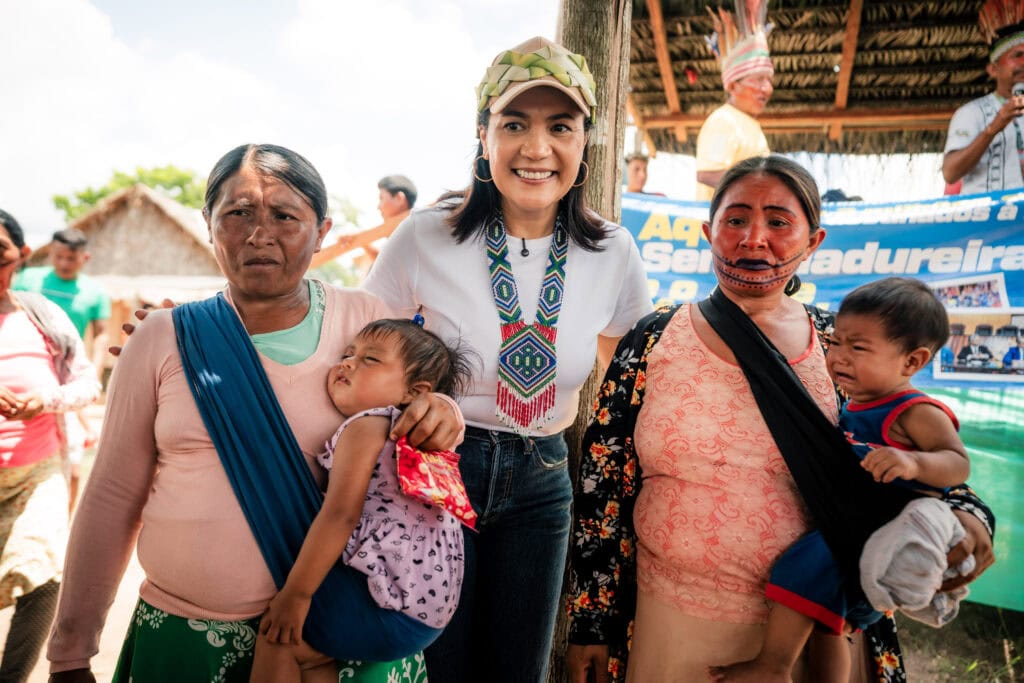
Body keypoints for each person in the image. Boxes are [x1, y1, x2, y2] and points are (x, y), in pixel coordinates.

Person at [565, 156, 996, 683]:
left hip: (817, 633)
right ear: (709, 232)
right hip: (669, 620)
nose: (754, 239)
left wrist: (970, 514)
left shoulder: (845, 347)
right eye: (736, 219)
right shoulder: (653, 339)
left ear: (813, 241)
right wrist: (590, 622)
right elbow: (602, 483)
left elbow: (917, 442)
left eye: (778, 221)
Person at [46, 144, 465, 683]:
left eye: (285, 216)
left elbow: (421, 396)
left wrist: (443, 409)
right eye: (238, 213)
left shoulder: (366, 322)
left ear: (321, 231)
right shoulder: (163, 337)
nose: (259, 234)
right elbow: (110, 495)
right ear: (208, 225)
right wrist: (71, 650)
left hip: (342, 645)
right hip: (184, 640)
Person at [362, 36, 653, 682]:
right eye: (514, 124)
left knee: (517, 673)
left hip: (544, 477)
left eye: (560, 126)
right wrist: (415, 399)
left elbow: (629, 396)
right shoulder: (424, 236)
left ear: (586, 141)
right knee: (435, 665)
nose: (536, 147)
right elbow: (355, 350)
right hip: (433, 470)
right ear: (482, 134)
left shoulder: (613, 252)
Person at [710, 277, 972, 683]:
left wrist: (914, 463)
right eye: (836, 342)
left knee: (800, 573)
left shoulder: (914, 412)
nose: (839, 357)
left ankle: (772, 665)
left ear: (912, 361)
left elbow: (957, 464)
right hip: (855, 529)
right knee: (828, 624)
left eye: (859, 347)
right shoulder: (859, 399)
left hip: (876, 533)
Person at [253, 318, 475, 682]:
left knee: (278, 637)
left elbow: (340, 515)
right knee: (308, 655)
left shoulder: (368, 425)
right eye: (347, 354)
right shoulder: (418, 441)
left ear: (415, 392)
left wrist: (296, 596)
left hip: (387, 610)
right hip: (427, 618)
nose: (348, 362)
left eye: (370, 360)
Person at [0, 209, 101, 681]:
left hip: (37, 470)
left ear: (20, 255)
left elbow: (88, 384)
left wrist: (45, 400)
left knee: (44, 578)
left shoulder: (43, 315)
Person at [14, 228, 109, 511]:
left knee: (74, 465)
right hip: (29, 374)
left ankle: (63, 524)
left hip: (67, 377)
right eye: (58, 257)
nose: (64, 263)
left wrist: (93, 369)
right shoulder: (27, 280)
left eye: (71, 258)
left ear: (85, 258)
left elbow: (102, 334)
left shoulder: (95, 292)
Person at [942, 0, 1024, 193]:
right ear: (993, 69)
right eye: (1017, 55)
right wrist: (994, 127)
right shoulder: (971, 113)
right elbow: (950, 173)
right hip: (988, 219)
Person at [695, 1, 773, 201]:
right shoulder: (723, 120)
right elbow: (707, 174)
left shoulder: (749, 124)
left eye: (770, 80)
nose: (767, 88)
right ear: (732, 86)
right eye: (759, 79)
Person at [308, 175, 417, 273]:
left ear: (399, 198)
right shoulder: (402, 237)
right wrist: (362, 241)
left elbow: (394, 268)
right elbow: (388, 262)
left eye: (381, 198)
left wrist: (362, 241)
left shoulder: (414, 235)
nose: (378, 207)